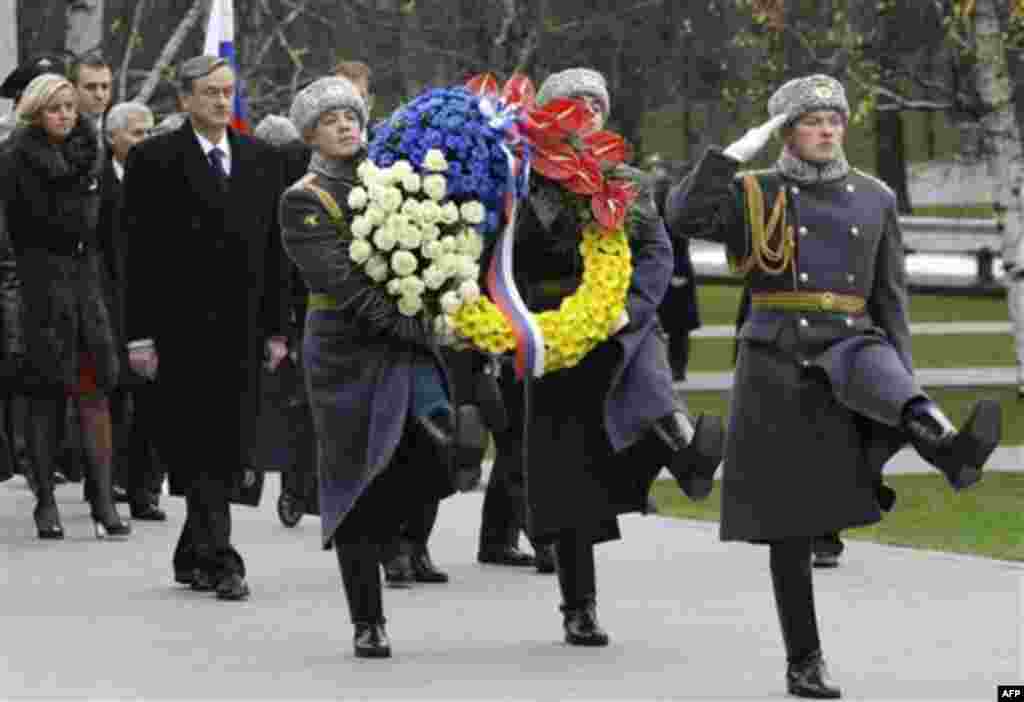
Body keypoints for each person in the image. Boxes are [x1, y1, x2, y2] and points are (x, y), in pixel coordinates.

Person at [664, 74, 1002, 698]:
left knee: (892, 382)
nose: (826, 131)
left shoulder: (873, 197)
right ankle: (804, 660)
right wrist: (734, 152)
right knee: (788, 522)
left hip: (851, 337)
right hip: (776, 353)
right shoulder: (753, 190)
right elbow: (683, 216)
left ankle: (951, 450)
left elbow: (890, 296)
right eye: (812, 121)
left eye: (835, 120)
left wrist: (904, 374)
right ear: (787, 131)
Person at [508, 67, 724, 647]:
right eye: (574, 106)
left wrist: (633, 305)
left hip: (621, 322)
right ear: (549, 117)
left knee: (649, 387)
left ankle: (688, 459)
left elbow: (656, 250)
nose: (588, 114)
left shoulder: (627, 180)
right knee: (567, 476)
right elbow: (507, 255)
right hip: (551, 332)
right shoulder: (519, 175)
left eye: (596, 106)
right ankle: (578, 607)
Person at [279, 76, 488, 658]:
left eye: (351, 116)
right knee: (353, 480)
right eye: (330, 121)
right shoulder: (304, 198)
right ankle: (367, 620)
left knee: (433, 435)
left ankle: (441, 475)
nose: (346, 126)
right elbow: (340, 284)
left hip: (404, 340)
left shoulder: (398, 175)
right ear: (311, 135)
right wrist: (414, 322)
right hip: (344, 348)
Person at [120, 55, 289, 601]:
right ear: (186, 100)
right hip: (180, 328)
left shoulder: (260, 159)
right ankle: (224, 560)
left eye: (227, 92)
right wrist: (139, 333)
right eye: (210, 93)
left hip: (242, 328)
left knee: (230, 445)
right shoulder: (155, 159)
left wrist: (276, 327)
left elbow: (273, 252)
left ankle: (193, 551)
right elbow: (137, 253)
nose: (221, 102)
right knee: (200, 443)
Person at [0, 72, 130, 540]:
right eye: (55, 108)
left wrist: (111, 289)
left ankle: (102, 500)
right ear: (36, 111)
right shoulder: (15, 158)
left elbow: (110, 228)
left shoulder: (89, 154)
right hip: (38, 285)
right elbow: (9, 235)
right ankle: (46, 501)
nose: (65, 115)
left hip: (86, 284)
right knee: (43, 396)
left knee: (95, 393)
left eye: (70, 107)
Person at [99, 100, 166, 521]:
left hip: (153, 301)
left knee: (151, 397)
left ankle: (144, 489)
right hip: (108, 300)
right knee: (113, 397)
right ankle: (106, 482)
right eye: (137, 133)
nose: (145, 141)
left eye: (149, 133)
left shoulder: (161, 177)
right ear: (113, 138)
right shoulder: (97, 179)